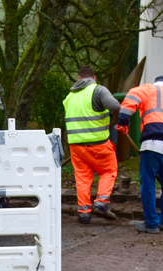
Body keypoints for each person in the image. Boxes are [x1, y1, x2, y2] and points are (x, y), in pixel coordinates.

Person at [116, 75, 163, 233]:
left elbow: (132, 96)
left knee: (148, 183)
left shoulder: (150, 89)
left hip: (153, 141)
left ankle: (151, 223)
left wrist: (123, 120)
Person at [63, 65, 121, 224]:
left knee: (82, 178)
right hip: (98, 144)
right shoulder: (98, 90)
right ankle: (101, 202)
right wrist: (122, 119)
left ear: (79, 78)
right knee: (108, 170)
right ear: (94, 78)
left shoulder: (69, 97)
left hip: (76, 146)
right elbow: (115, 106)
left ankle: (84, 213)